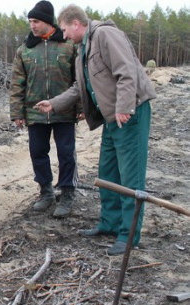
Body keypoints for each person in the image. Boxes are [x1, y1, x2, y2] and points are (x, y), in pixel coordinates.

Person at [34, 4, 156, 255]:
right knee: (108, 172)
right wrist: (54, 103)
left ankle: (128, 235)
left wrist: (124, 107)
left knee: (130, 176)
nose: (64, 35)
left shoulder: (105, 35)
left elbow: (127, 72)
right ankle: (109, 224)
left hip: (129, 113)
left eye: (66, 29)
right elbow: (80, 87)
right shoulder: (82, 49)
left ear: (76, 24)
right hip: (111, 117)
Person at [10, 0, 81, 218]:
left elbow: (78, 80)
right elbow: (16, 84)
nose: (32, 25)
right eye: (30, 21)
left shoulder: (69, 46)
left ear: (48, 22)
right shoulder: (25, 50)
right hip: (35, 112)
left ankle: (67, 193)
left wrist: (80, 107)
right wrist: (17, 113)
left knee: (66, 154)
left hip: (64, 111)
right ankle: (46, 192)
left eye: (36, 21)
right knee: (37, 152)